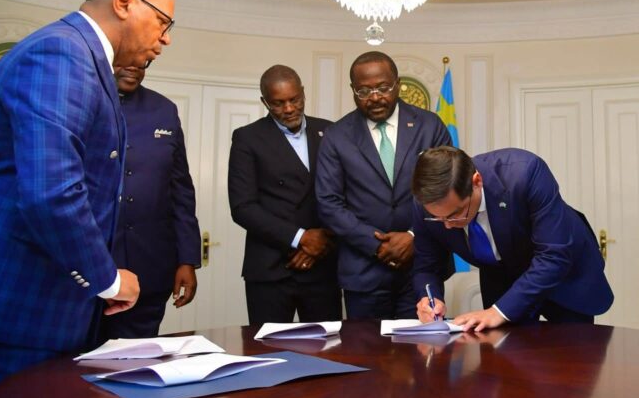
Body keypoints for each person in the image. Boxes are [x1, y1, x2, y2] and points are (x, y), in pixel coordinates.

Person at [0, 0, 172, 398]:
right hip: (17, 316)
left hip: (50, 315)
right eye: (163, 23)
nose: (165, 40)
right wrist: (106, 278)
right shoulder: (62, 53)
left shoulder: (84, 61)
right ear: (124, 2)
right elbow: (52, 194)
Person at [411, 146, 614, 331]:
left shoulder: (524, 172)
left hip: (562, 279)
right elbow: (427, 267)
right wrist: (429, 299)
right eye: (438, 218)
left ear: (477, 182)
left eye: (456, 214)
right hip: (502, 282)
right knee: (501, 356)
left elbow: (554, 254)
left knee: (572, 356)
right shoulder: (426, 205)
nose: (447, 225)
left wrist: (499, 311)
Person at [315, 52, 452, 319]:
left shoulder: (429, 125)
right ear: (353, 90)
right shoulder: (336, 136)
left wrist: (413, 235)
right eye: (364, 91)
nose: (375, 97)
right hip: (363, 271)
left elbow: (448, 186)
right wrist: (376, 244)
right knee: (366, 346)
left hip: (422, 265)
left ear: (398, 84)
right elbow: (328, 203)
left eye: (383, 87)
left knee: (423, 345)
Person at [228, 65, 340, 324]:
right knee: (270, 346)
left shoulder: (330, 132)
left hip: (323, 265)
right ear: (264, 102)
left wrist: (322, 240)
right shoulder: (247, 138)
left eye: (294, 99)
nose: (289, 109)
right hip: (270, 268)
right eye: (278, 104)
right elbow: (243, 207)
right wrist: (301, 238)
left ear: (303, 93)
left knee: (329, 345)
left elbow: (345, 195)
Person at [101, 64, 201, 342]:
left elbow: (181, 191)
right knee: (78, 361)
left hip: (150, 268)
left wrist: (187, 259)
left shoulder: (164, 110)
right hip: (93, 268)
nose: (134, 68)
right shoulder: (84, 101)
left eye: (142, 63)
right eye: (126, 61)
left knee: (139, 359)